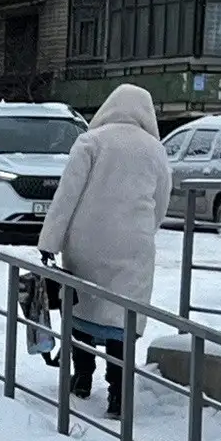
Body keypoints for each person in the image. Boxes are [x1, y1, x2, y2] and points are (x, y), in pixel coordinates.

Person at [37, 83, 173, 417]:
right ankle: (119, 395)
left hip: (86, 242)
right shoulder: (155, 150)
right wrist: (143, 229)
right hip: (134, 247)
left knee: (81, 309)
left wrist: (49, 243)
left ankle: (82, 377)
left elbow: (66, 196)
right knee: (122, 319)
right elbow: (162, 200)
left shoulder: (90, 141)